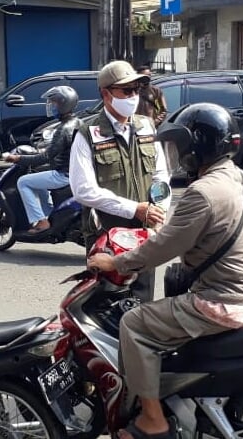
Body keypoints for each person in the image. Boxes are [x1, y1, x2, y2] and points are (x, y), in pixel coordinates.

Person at [87, 103, 243, 439]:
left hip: (224, 302)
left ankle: (153, 420)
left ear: (198, 144)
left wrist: (115, 262)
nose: (179, 154)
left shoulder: (202, 193)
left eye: (181, 146)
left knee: (134, 324)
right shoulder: (241, 178)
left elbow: (162, 249)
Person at [70, 60, 170, 303]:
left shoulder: (146, 126)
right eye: (126, 91)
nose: (134, 96)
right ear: (106, 94)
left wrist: (158, 210)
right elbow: (83, 190)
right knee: (106, 308)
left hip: (144, 236)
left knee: (142, 306)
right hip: (107, 239)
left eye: (137, 90)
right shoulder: (88, 132)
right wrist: (133, 209)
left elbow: (161, 176)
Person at [6, 86, 82, 233]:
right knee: (38, 178)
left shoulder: (63, 128)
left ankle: (42, 221)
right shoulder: (79, 122)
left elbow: (46, 157)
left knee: (23, 181)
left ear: (63, 104)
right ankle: (48, 212)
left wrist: (18, 158)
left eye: (53, 103)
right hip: (74, 172)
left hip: (64, 175)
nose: (51, 106)